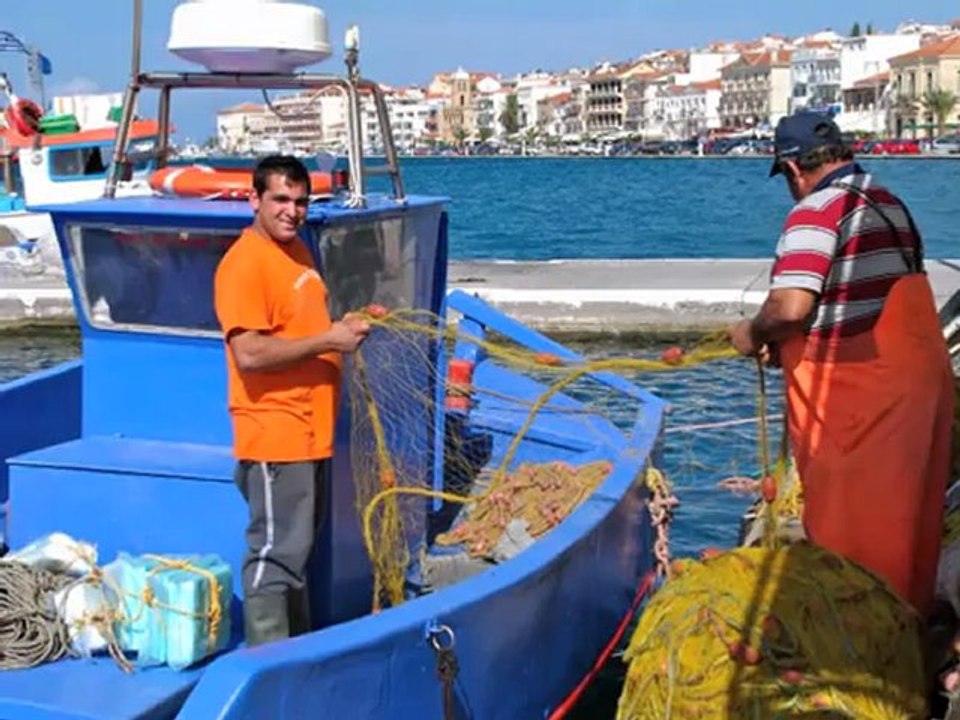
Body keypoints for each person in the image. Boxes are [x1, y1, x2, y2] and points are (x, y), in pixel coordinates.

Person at [728, 112, 955, 622]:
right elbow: (861, 297)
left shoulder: (816, 210)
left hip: (860, 399)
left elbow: (791, 306)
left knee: (854, 539)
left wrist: (753, 334)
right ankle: (905, 638)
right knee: (909, 528)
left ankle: (859, 648)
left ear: (791, 167)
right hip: (920, 388)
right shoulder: (891, 204)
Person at [214, 155, 370, 646]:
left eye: (301, 201)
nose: (292, 211)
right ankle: (267, 664)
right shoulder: (244, 265)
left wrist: (345, 328)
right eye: (280, 199)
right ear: (254, 200)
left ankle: (293, 655)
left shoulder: (297, 251)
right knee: (275, 556)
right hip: (276, 436)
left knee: (296, 553)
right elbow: (250, 353)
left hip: (310, 435)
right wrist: (329, 341)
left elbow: (299, 325)